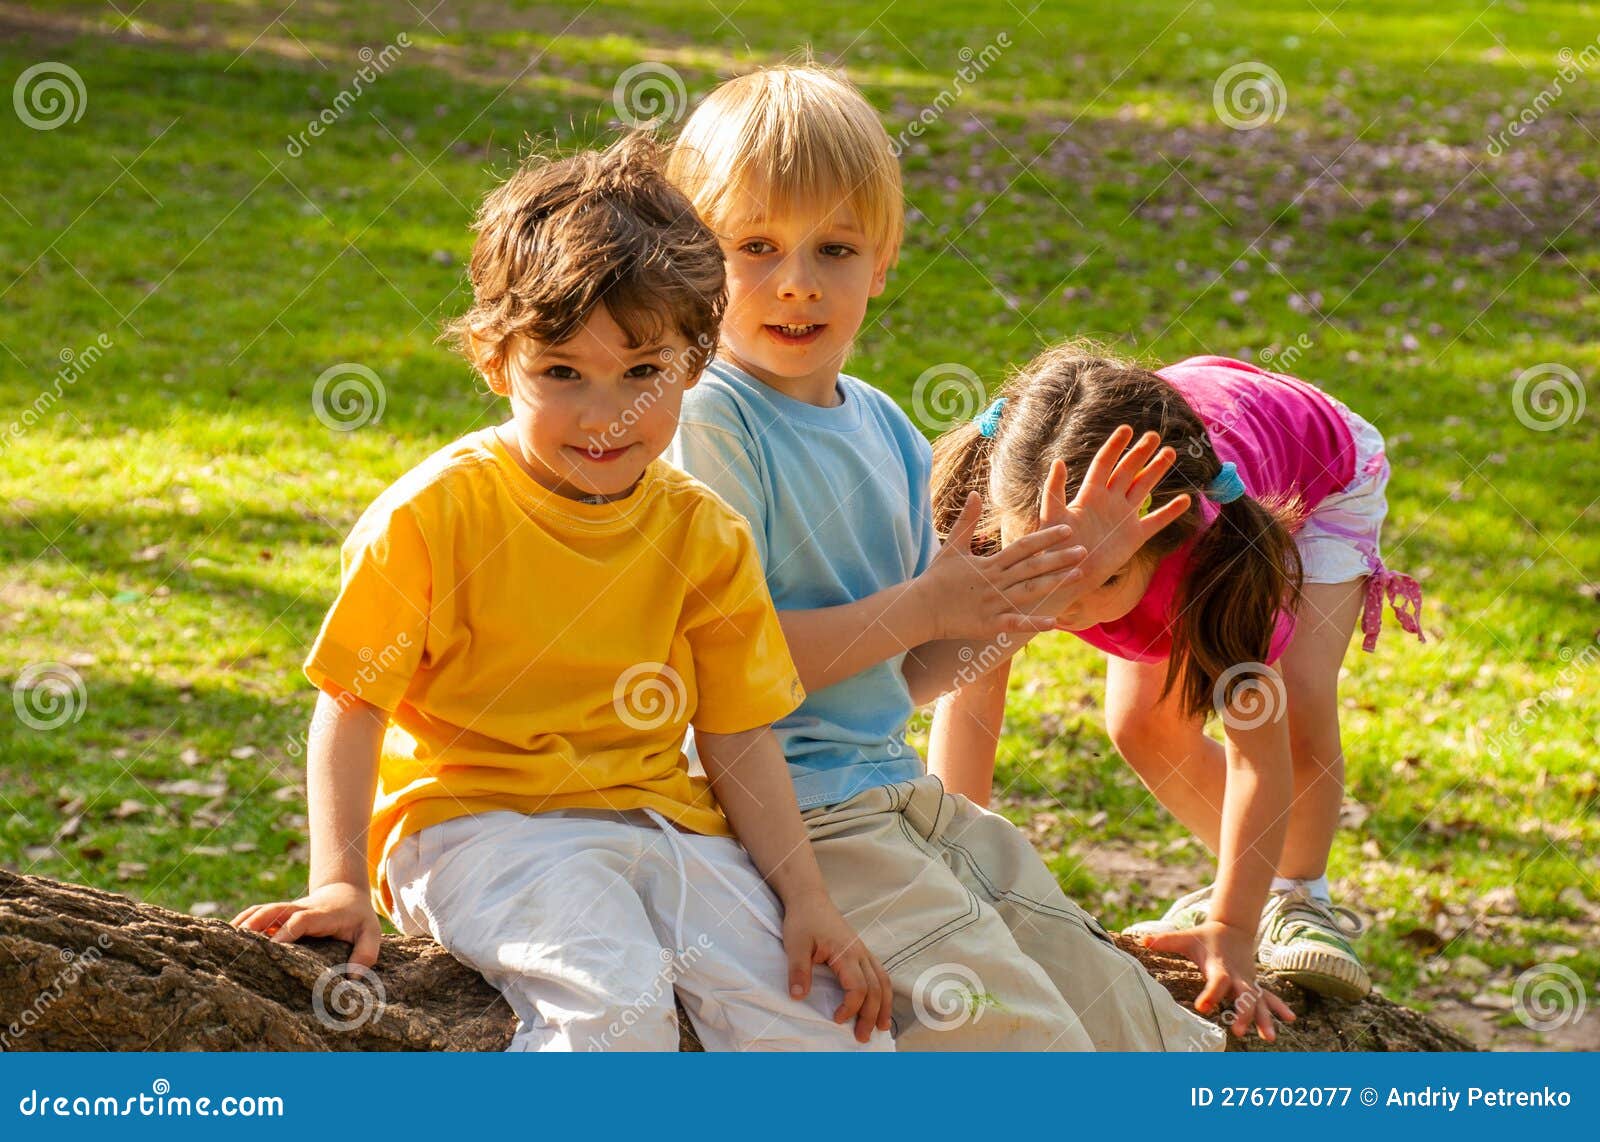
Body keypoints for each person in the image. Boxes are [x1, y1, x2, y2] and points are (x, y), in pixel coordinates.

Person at [232, 134, 892, 1051]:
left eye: (643, 373)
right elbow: (352, 703)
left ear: (695, 364)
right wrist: (338, 881)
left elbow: (739, 734)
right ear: (494, 360)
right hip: (480, 824)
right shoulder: (433, 516)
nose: (604, 415)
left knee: (826, 1022)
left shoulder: (703, 533)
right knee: (615, 1016)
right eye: (562, 373)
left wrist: (807, 897)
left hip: (667, 827)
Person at [666, 63, 1226, 1050]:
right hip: (788, 817)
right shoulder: (711, 420)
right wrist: (924, 607)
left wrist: (1035, 588)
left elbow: (910, 672)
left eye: (835, 248)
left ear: (882, 262)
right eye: (755, 246)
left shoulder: (884, 425)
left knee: (1143, 1026)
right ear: (693, 262)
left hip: (897, 796)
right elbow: (730, 667)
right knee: (1027, 1042)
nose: (797, 280)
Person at [930, 343, 1425, 1034]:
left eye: (1099, 578)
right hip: (1179, 447)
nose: (1059, 606)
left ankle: (1299, 896)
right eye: (1038, 567)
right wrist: (957, 875)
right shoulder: (992, 527)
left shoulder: (1219, 567)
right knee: (1141, 726)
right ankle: (1254, 877)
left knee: (1299, 709)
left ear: (1158, 545)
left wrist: (1231, 928)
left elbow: (1257, 757)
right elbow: (971, 702)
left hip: (1317, 470)